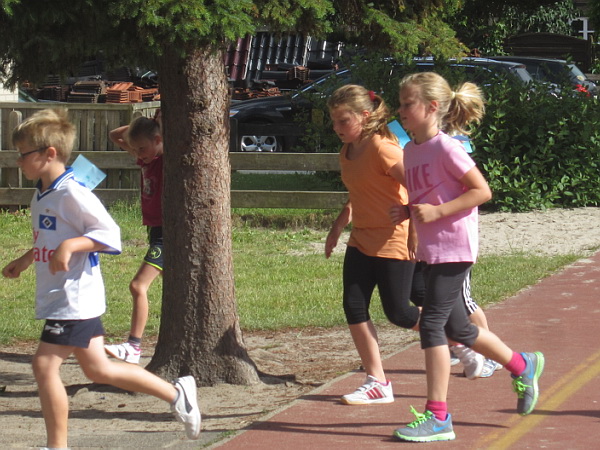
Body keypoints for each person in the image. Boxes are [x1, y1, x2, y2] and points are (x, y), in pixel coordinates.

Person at [2, 108, 200, 448]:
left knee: (44, 366)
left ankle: (57, 446)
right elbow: (50, 238)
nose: (18, 160)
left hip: (73, 298)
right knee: (98, 370)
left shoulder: (72, 193)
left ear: (49, 154)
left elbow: (109, 234)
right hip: (63, 297)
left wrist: (70, 246)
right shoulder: (43, 193)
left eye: (23, 154)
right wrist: (26, 259)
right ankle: (176, 393)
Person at [390, 72, 544, 442]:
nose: (400, 110)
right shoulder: (411, 150)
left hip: (454, 249)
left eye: (407, 103)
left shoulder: (447, 148)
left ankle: (438, 417)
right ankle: (523, 364)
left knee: (432, 324)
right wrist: (409, 211)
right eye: (400, 103)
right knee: (458, 329)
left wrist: (437, 213)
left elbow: (481, 191)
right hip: (432, 250)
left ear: (432, 107)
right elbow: (430, 195)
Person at [325, 84, 420, 405]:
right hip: (361, 239)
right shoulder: (347, 151)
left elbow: (419, 188)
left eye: (343, 121)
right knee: (353, 306)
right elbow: (360, 192)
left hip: (394, 239)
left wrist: (413, 225)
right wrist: (338, 226)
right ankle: (377, 381)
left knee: (401, 313)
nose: (336, 128)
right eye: (334, 121)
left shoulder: (383, 148)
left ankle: (461, 338)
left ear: (365, 116)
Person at [104, 111, 163, 364]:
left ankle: (133, 347)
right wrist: (147, 125)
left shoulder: (164, 160)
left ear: (158, 140)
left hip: (166, 235)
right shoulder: (145, 159)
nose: (138, 154)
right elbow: (114, 135)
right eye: (135, 149)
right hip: (154, 230)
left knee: (138, 286)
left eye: (142, 148)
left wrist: (156, 125)